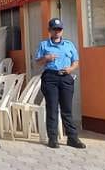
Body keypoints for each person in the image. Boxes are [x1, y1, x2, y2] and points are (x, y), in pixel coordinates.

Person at [35, 18, 86, 149]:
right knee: (52, 108)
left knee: (67, 109)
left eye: (59, 30)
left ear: (62, 31)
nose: (57, 32)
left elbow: (76, 61)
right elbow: (37, 62)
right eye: (54, 29)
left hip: (65, 77)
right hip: (50, 77)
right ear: (49, 31)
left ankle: (72, 138)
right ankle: (53, 138)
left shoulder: (69, 45)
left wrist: (70, 69)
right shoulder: (44, 45)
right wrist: (46, 58)